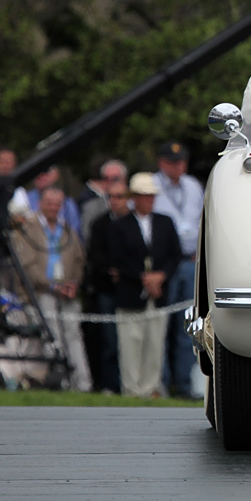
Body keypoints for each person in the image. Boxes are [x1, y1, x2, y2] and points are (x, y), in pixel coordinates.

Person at [8, 187, 93, 391]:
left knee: (74, 334)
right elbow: (26, 268)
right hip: (40, 292)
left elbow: (79, 262)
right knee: (52, 333)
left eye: (57, 204)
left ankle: (82, 384)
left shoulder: (68, 230)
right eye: (49, 203)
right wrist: (53, 286)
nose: (53, 207)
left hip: (66, 292)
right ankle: (59, 380)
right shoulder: (28, 229)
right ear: (40, 204)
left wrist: (73, 284)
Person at [110, 173, 181, 398]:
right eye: (144, 196)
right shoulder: (120, 225)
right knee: (131, 343)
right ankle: (132, 389)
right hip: (131, 292)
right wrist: (144, 278)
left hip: (159, 293)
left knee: (155, 343)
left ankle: (151, 387)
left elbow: (175, 254)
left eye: (151, 196)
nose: (149, 200)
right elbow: (118, 259)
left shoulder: (165, 222)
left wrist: (160, 277)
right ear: (134, 198)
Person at [153, 142, 204, 399]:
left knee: (188, 325)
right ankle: (160, 383)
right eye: (173, 162)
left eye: (182, 161)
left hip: (190, 260)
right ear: (162, 162)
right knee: (161, 325)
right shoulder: (152, 185)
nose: (179, 166)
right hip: (164, 264)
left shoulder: (193, 186)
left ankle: (184, 384)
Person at [85, 180, 132, 394]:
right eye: (110, 197)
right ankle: (110, 384)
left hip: (131, 289)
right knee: (110, 341)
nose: (114, 201)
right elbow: (95, 256)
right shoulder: (99, 224)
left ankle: (131, 384)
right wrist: (110, 272)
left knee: (131, 341)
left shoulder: (136, 222)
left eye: (119, 196)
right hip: (107, 289)